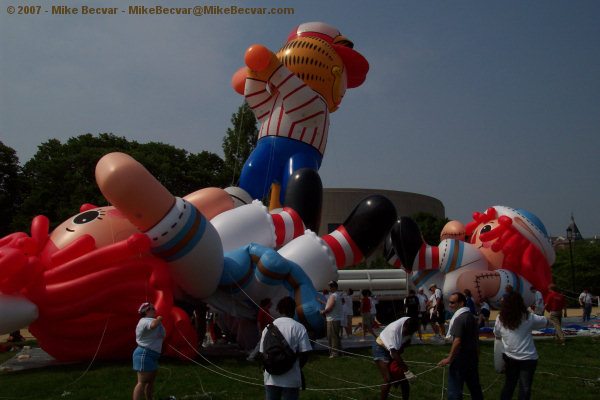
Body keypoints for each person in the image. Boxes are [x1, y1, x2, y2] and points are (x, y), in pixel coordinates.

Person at [494, 292, 550, 400]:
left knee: (509, 384)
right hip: (528, 357)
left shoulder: (500, 318)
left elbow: (497, 333)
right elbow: (546, 322)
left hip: (510, 356)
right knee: (525, 387)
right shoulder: (528, 317)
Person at [261, 296, 311, 400]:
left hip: (271, 377)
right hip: (291, 376)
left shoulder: (268, 328)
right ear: (294, 310)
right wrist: (297, 365)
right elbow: (305, 352)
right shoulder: (298, 327)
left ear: (278, 310)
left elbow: (262, 352)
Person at [438, 292, 483, 400]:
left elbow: (457, 340)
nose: (450, 305)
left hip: (461, 358)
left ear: (461, 303)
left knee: (454, 390)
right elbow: (475, 336)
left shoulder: (460, 318)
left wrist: (449, 358)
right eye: (449, 302)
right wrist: (477, 349)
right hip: (472, 357)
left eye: (453, 302)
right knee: (475, 387)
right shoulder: (471, 317)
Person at [373, 316, 418, 400]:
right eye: (407, 332)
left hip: (392, 350)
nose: (407, 334)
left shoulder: (410, 321)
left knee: (403, 379)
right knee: (388, 379)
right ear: (405, 326)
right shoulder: (394, 331)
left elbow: (405, 344)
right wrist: (407, 371)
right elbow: (394, 354)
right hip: (380, 348)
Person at [133, 302, 166, 400]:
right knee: (142, 382)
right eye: (152, 308)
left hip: (153, 354)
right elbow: (152, 326)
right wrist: (159, 319)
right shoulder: (145, 321)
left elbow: (161, 333)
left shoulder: (151, 320)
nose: (155, 310)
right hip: (144, 353)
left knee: (150, 381)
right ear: (146, 311)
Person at [320, 280, 344, 357]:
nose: (330, 288)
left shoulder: (333, 296)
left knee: (332, 337)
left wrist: (323, 312)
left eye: (332, 286)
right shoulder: (336, 295)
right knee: (335, 336)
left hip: (332, 319)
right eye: (330, 286)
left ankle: (334, 353)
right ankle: (339, 351)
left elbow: (330, 307)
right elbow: (329, 304)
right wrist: (321, 301)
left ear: (335, 287)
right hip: (335, 319)